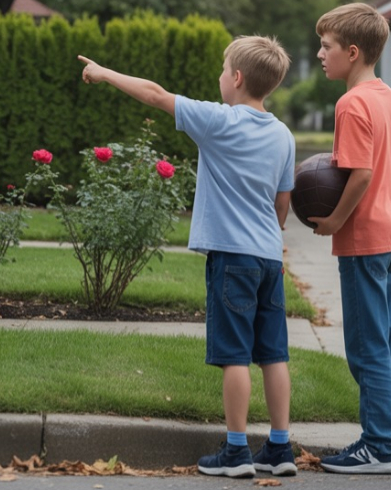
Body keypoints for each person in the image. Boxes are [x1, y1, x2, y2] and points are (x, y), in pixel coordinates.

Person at [80, 36, 297, 479]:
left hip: (232, 257)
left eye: (222, 70)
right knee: (273, 353)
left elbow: (156, 95)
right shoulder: (283, 134)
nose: (219, 77)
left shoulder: (219, 121)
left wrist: (103, 73)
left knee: (235, 355)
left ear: (236, 79)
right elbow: (282, 205)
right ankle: (280, 447)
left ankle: (236, 452)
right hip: (269, 260)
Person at [309, 2, 391, 475]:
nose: (319, 54)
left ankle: (378, 447)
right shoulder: (387, 97)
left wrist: (333, 221)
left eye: (326, 46)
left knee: (366, 345)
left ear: (352, 52)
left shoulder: (351, 103)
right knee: (387, 341)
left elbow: (361, 174)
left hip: (365, 240)